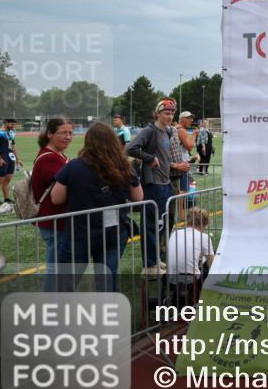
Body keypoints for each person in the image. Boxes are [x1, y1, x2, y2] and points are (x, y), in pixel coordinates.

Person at [51, 123, 142, 292]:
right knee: (107, 279)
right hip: (113, 232)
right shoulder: (124, 165)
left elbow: (56, 198)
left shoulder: (74, 166)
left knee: (66, 282)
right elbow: (138, 197)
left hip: (80, 232)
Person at [126, 98, 189, 277]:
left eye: (171, 113)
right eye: (166, 113)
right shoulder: (150, 131)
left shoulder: (167, 132)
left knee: (161, 224)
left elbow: (165, 156)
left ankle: (155, 259)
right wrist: (149, 158)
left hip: (165, 183)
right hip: (152, 184)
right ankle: (149, 264)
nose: (169, 116)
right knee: (151, 226)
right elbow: (131, 149)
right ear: (158, 113)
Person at [30, 118, 74, 291]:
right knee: (56, 269)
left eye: (70, 133)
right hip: (55, 221)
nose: (68, 137)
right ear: (49, 134)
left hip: (57, 220)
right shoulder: (50, 159)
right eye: (63, 132)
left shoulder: (57, 156)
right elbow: (66, 188)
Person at [166, 207, 215, 306]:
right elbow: (212, 264)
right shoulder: (204, 237)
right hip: (191, 277)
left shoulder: (175, 234)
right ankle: (204, 302)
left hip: (170, 277)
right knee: (208, 270)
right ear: (203, 224)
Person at [0, 118, 21, 209]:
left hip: (10, 157)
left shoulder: (12, 133)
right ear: (6, 123)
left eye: (14, 124)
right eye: (11, 124)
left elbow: (13, 146)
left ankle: (6, 199)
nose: (13, 126)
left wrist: (18, 159)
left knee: (8, 179)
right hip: (2, 157)